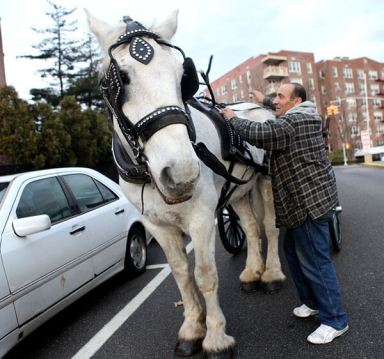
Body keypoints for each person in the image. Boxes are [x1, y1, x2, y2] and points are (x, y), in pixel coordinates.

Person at [221, 83, 349, 344]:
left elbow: (261, 132)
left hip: (308, 203)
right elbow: (277, 110)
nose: (275, 101)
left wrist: (233, 119)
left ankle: (336, 320)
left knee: (316, 261)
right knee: (291, 251)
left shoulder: (294, 122)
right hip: (302, 202)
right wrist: (263, 100)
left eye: (280, 96)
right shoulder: (300, 114)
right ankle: (312, 303)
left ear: (297, 100)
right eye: (275, 96)